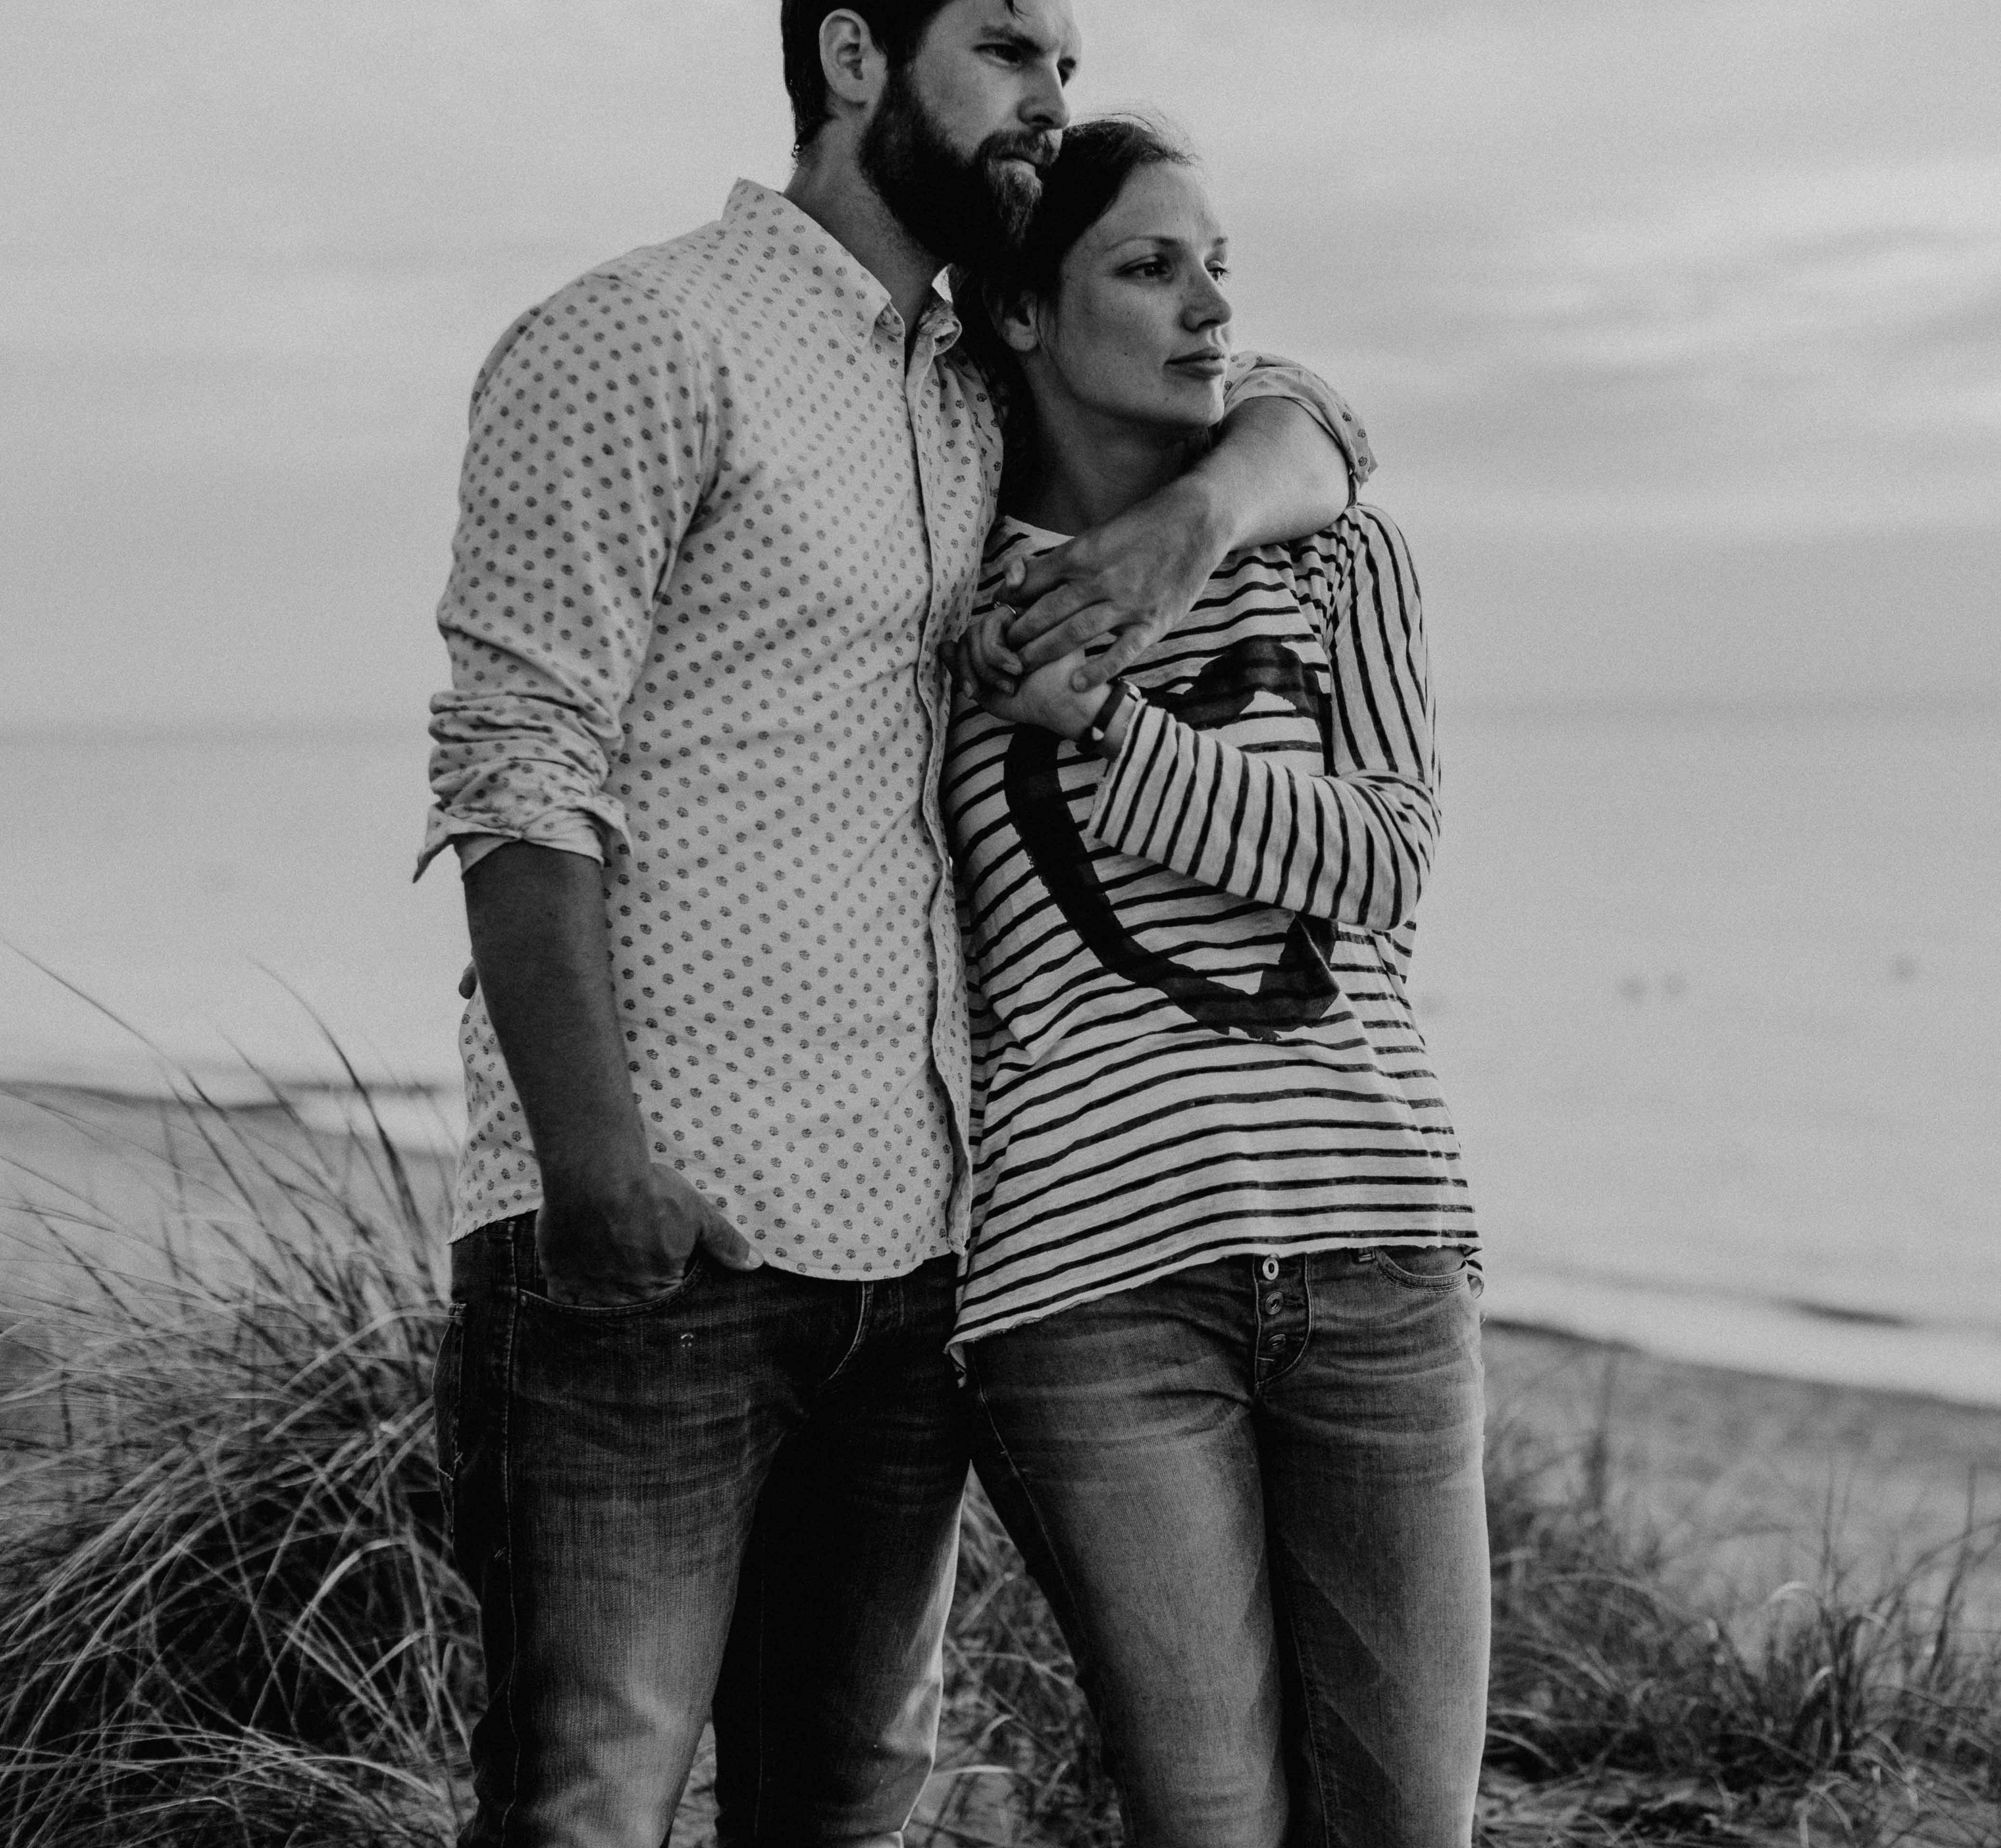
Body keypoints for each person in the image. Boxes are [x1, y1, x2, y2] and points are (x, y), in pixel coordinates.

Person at [418, 3, 1370, 1841]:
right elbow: (517, 761)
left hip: (909, 1261)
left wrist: (1181, 534)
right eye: (1014, 47)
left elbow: (1317, 416)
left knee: (850, 1804)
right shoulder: (639, 332)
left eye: (1071, 69)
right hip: (652, 1253)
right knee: (587, 1801)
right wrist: (597, 1174)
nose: (1051, 100)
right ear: (854, 56)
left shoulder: (969, 384)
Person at [943, 118, 1485, 1848]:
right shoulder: (947, 609)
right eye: (1150, 267)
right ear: (1025, 315)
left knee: (1409, 1821)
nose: (1208, 309)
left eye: (1218, 267)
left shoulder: (1336, 558)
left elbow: (1381, 866)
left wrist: (1107, 721)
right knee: (1212, 1823)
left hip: (1378, 1247)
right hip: (1088, 1288)